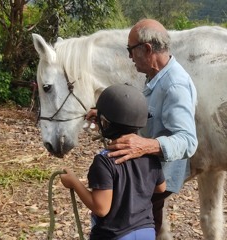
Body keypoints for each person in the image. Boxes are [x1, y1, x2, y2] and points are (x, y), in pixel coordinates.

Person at [85, 19, 198, 235]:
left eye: (130, 50)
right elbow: (144, 112)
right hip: (143, 171)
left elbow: (188, 141)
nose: (129, 56)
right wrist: (106, 115)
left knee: (126, 224)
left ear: (147, 49)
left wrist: (144, 145)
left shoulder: (175, 85)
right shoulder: (156, 76)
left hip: (153, 175)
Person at [61, 83, 166, 240]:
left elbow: (101, 208)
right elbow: (161, 188)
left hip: (114, 235)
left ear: (104, 122)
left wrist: (74, 183)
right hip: (146, 232)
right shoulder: (149, 152)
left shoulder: (104, 161)